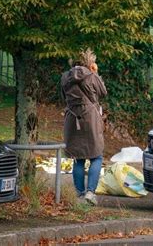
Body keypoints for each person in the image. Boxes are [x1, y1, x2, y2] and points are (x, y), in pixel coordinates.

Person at [61, 49, 107, 205]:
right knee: (97, 155)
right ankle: (90, 193)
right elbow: (103, 92)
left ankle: (79, 195)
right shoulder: (90, 75)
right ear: (89, 61)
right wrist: (96, 74)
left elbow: (63, 97)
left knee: (77, 158)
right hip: (90, 118)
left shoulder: (65, 77)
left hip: (72, 118)